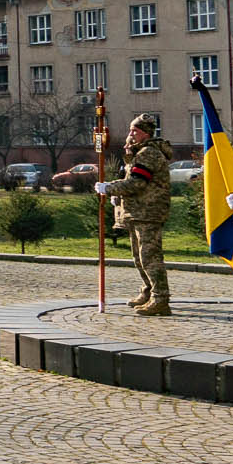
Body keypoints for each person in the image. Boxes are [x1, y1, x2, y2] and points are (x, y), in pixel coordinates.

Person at [95, 113, 175, 316]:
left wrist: (110, 188)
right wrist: (118, 196)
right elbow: (132, 178)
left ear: (145, 133)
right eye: (131, 130)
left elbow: (138, 182)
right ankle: (148, 291)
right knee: (139, 257)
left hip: (148, 211)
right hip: (138, 211)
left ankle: (160, 298)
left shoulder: (149, 153)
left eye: (135, 131)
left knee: (150, 257)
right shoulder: (139, 152)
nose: (130, 134)